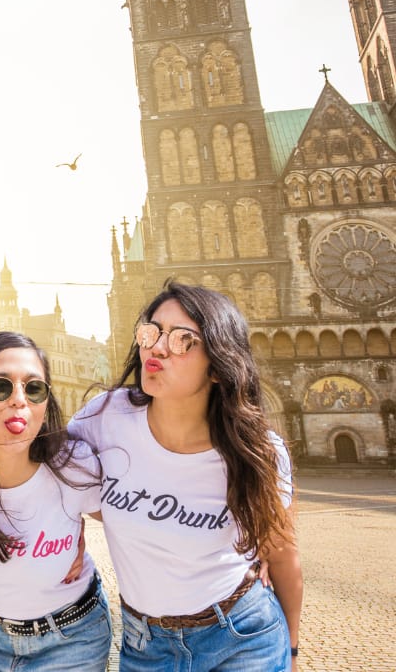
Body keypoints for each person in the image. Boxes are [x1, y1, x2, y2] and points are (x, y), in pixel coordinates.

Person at [70, 282, 303, 672]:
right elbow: (48, 475)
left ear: (218, 366)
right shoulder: (104, 417)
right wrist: (70, 529)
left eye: (182, 340)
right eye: (151, 332)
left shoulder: (257, 450)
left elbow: (282, 555)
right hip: (146, 645)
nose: (157, 348)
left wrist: (292, 651)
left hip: (243, 635)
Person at [0, 332, 111, 672]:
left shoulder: (72, 465)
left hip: (71, 637)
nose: (19, 399)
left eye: (34, 389)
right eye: (0, 387)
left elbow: (141, 520)